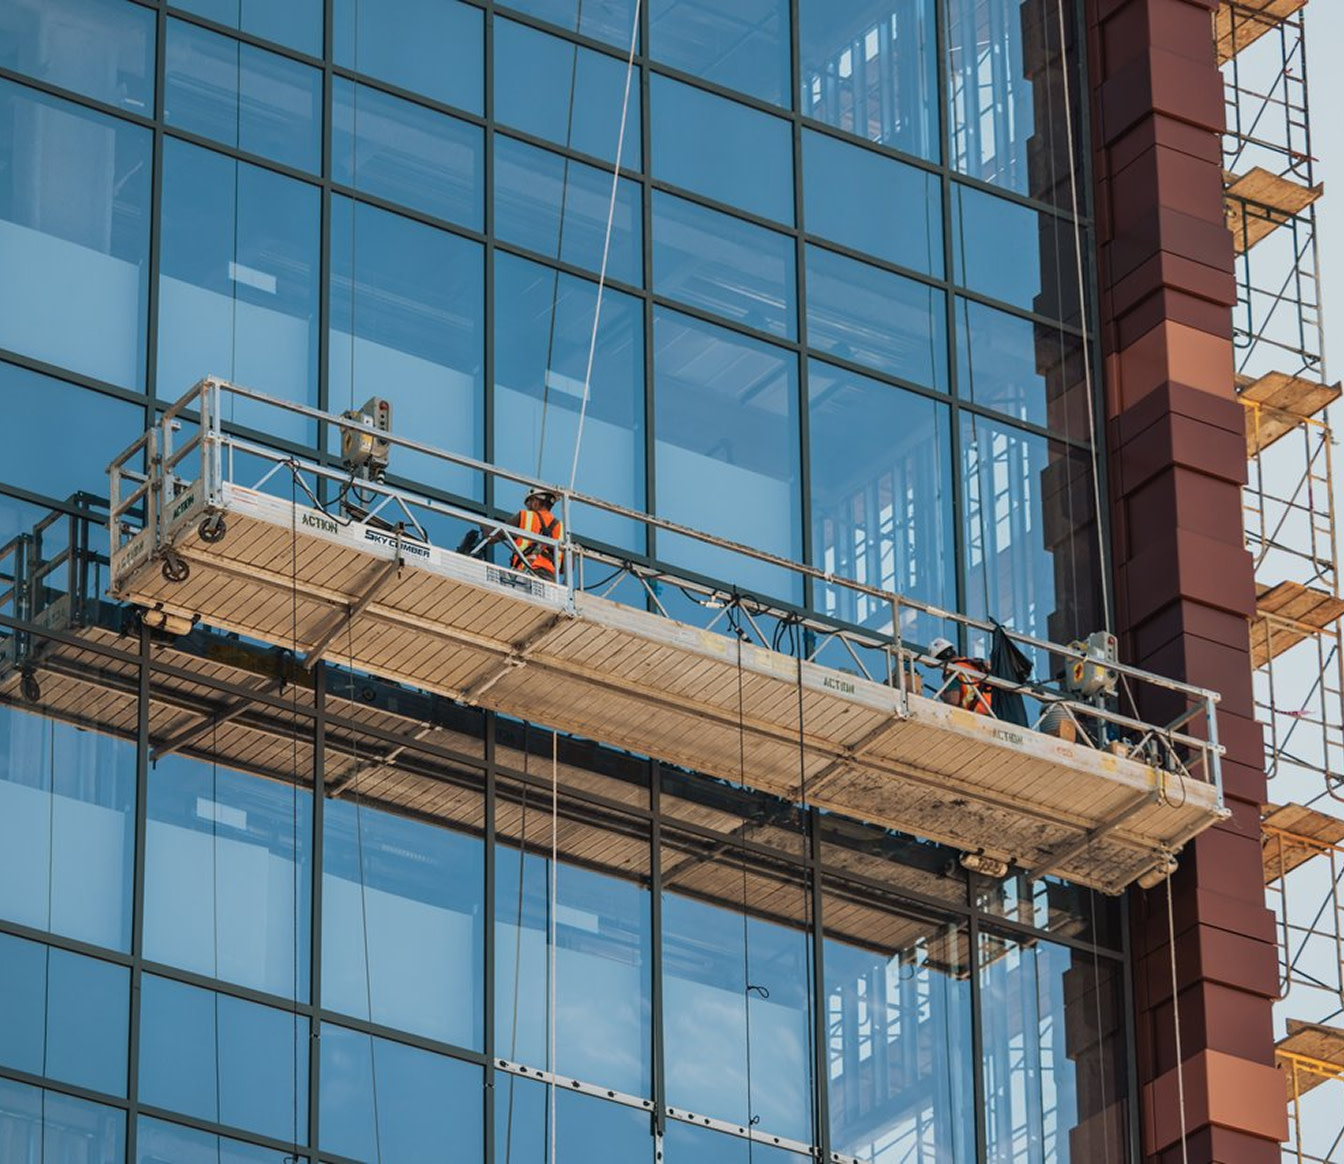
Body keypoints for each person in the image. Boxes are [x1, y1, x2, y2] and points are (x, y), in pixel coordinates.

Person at [499, 487, 564, 579]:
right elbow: (567, 567)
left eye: (528, 504)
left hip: (526, 572)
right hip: (550, 579)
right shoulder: (563, 529)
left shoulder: (524, 516)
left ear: (535, 502)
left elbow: (494, 535)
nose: (528, 507)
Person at [928, 637, 993, 715]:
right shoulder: (974, 663)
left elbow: (953, 700)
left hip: (979, 715)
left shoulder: (952, 671)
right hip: (996, 710)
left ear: (938, 661)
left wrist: (943, 696)